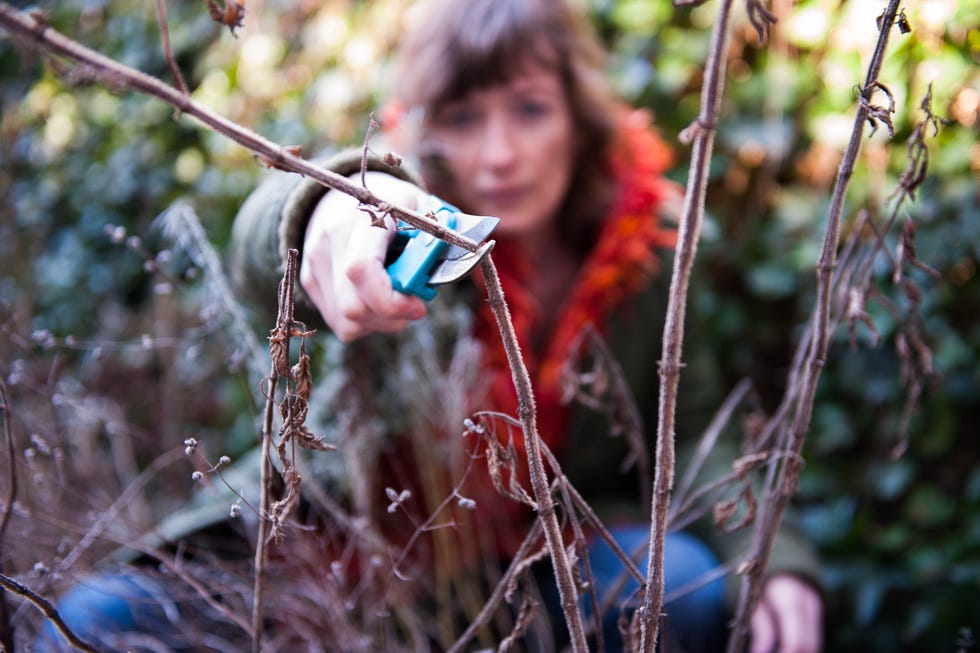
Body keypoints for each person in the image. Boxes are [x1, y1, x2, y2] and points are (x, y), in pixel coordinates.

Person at [41, 0, 823, 651]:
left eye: (530, 109)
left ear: (579, 118)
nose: (500, 152)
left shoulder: (643, 248)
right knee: (97, 623)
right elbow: (276, 236)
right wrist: (328, 213)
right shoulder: (408, 208)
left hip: (532, 579)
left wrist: (774, 560)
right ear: (429, 127)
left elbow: (696, 430)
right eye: (464, 115)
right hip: (336, 568)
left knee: (676, 583)